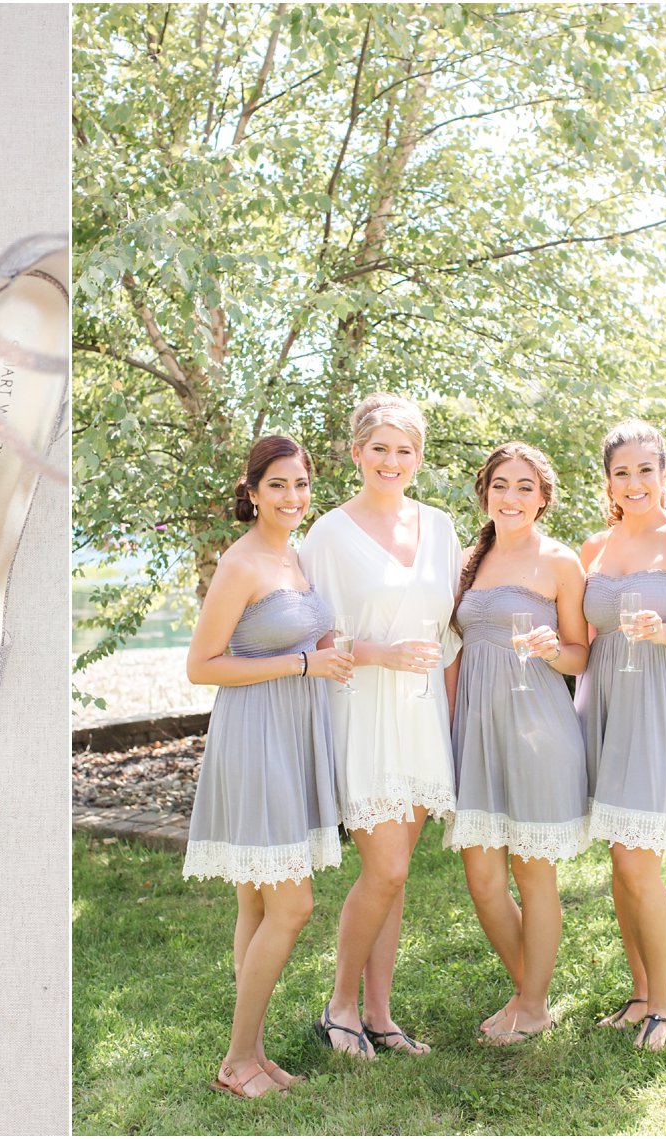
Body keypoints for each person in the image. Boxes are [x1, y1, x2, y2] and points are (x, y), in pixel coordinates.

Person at [183, 433, 353, 1099]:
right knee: (293, 903)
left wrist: (332, 647)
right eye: (278, 484)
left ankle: (251, 1053)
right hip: (255, 737)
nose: (292, 496)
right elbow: (201, 665)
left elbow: (306, 635)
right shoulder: (242, 562)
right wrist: (303, 662)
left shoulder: (294, 558)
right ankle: (234, 1060)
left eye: (302, 484)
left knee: (257, 899)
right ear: (252, 492)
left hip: (293, 731)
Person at [298, 393, 458, 1059]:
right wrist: (378, 653)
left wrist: (454, 726)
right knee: (384, 865)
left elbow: (449, 635)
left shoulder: (442, 527)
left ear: (418, 457)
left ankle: (381, 1016)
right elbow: (312, 636)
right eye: (380, 447)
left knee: (397, 875)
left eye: (405, 448)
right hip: (362, 707)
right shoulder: (329, 535)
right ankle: (339, 1007)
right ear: (357, 451)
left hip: (422, 714)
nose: (392, 460)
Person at [575, 419, 666, 1051]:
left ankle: (664, 1005)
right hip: (604, 705)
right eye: (620, 472)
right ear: (607, 480)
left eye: (645, 470)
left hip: (657, 705)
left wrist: (662, 630)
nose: (633, 483)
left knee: (639, 861)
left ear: (664, 473)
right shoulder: (592, 549)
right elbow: (580, 641)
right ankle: (639, 994)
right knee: (619, 859)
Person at [443, 442, 590, 1044]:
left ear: (543, 498)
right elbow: (450, 648)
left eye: (525, 487)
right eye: (502, 485)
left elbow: (581, 654)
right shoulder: (466, 563)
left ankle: (529, 1005)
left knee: (534, 873)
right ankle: (532, 992)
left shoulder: (560, 563)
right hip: (475, 732)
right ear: (486, 492)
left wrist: (552, 648)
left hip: (538, 730)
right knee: (482, 879)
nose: (512, 497)